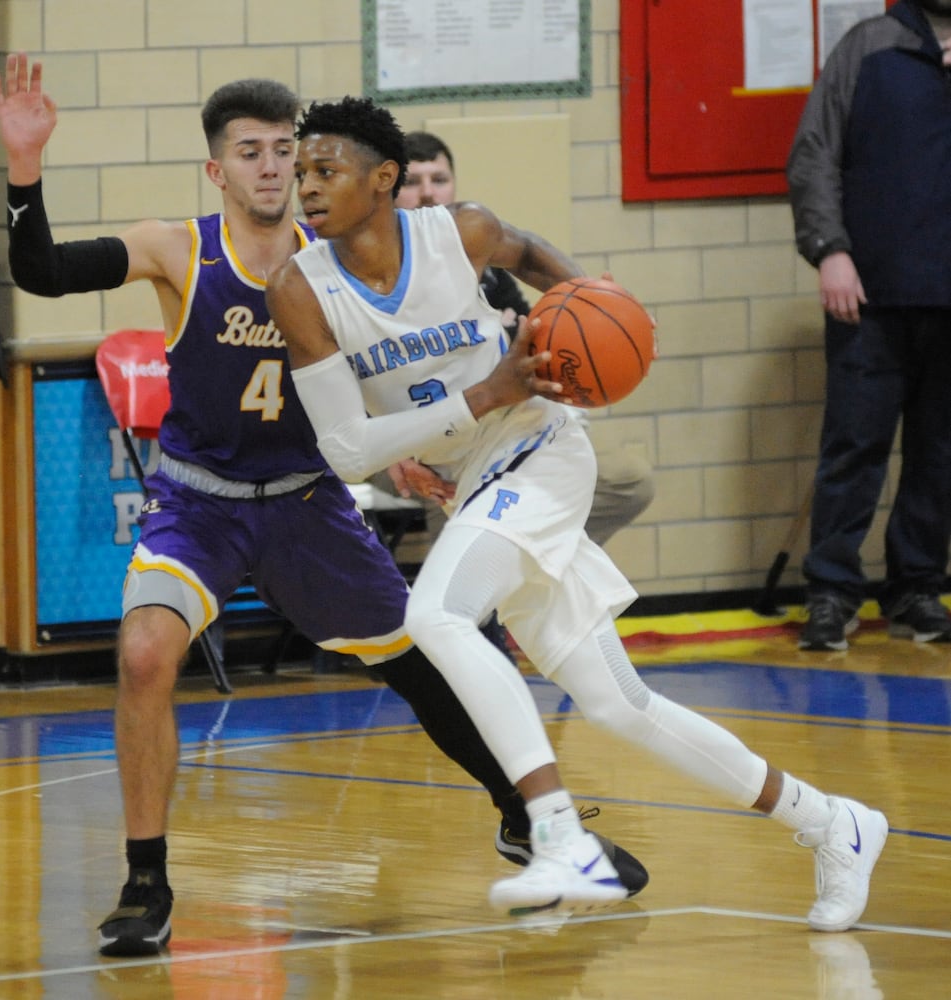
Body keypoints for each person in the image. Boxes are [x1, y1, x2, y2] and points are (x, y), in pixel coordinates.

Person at [0, 56, 647, 957]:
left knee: (426, 659)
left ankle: (526, 820)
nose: (272, 168)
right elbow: (42, 271)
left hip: (308, 500)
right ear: (217, 171)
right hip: (200, 504)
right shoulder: (176, 248)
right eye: (249, 153)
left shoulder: (335, 258)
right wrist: (25, 165)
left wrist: (414, 451)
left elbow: (401, 364)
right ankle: (146, 880)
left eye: (283, 151)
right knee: (144, 656)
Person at [266, 94, 888, 927]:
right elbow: (348, 450)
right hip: (476, 472)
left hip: (543, 447)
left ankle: (557, 835)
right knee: (614, 704)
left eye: (323, 169)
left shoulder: (462, 232)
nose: (303, 185)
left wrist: (607, 306)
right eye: (299, 171)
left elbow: (539, 260)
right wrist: (482, 394)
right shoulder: (298, 290)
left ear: (383, 180)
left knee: (437, 615)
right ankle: (830, 823)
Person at [393, 130, 654, 547]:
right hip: (432, 438)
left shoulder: (482, 258)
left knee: (628, 481)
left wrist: (612, 311)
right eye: (412, 182)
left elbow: (534, 309)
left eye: (438, 180)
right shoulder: (382, 271)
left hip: (513, 422)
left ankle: (530, 551)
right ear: (388, 189)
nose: (427, 194)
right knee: (463, 576)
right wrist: (395, 452)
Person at [786, 0, 951, 651]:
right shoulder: (867, 44)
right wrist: (828, 249)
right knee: (853, 447)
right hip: (868, 295)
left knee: (939, 454)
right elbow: (814, 153)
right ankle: (830, 591)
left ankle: (916, 587)